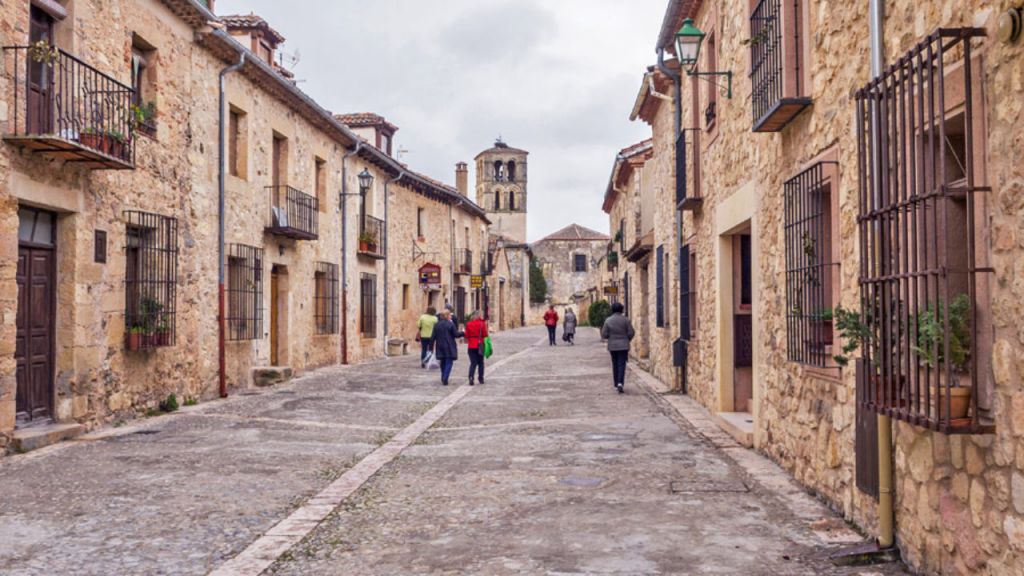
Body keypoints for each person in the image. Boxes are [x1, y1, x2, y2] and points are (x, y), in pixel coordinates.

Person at [601, 302, 635, 394]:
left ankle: (616, 383)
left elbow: (604, 334)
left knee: (615, 364)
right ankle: (620, 382)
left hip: (613, 346)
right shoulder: (626, 320)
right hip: (623, 345)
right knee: (621, 364)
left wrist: (610, 337)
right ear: (621, 309)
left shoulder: (608, 320)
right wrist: (627, 339)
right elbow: (631, 332)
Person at [432, 309, 464, 386]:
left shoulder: (437, 325)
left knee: (442, 362)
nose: (451, 316)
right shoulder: (450, 324)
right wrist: (463, 333)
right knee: (449, 362)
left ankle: (443, 376)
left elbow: (433, 337)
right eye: (450, 315)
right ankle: (445, 378)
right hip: (449, 345)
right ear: (447, 316)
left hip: (440, 346)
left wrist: (430, 347)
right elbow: (456, 334)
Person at [464, 310, 489, 386]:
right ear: (479, 316)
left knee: (473, 363)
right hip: (480, 344)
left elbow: (466, 335)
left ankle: (471, 377)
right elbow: (485, 334)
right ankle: (480, 378)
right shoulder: (482, 324)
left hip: (471, 345)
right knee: (481, 362)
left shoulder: (468, 324)